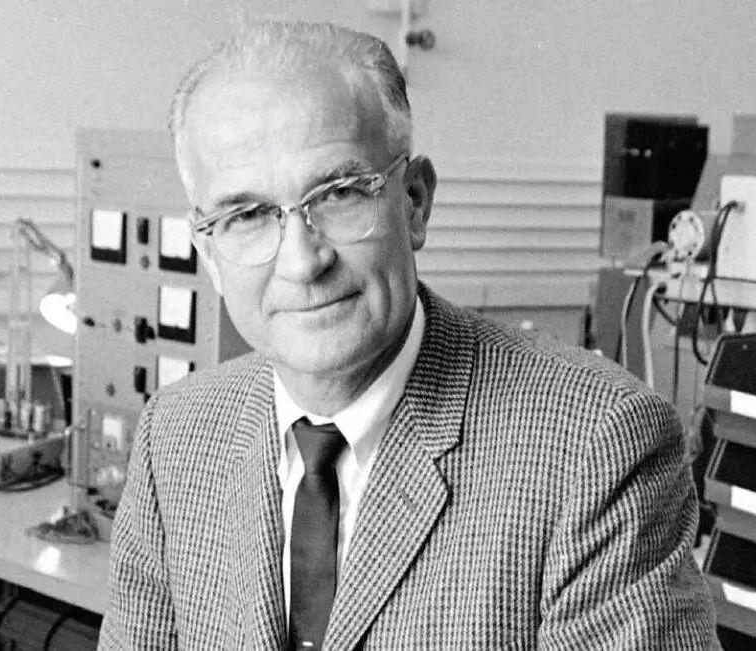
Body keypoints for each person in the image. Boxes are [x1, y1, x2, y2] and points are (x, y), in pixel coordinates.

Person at [99, 19, 718, 650]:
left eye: (339, 194)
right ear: (208, 250)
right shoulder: (175, 437)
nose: (302, 262)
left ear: (415, 202)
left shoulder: (595, 447)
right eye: (249, 215)